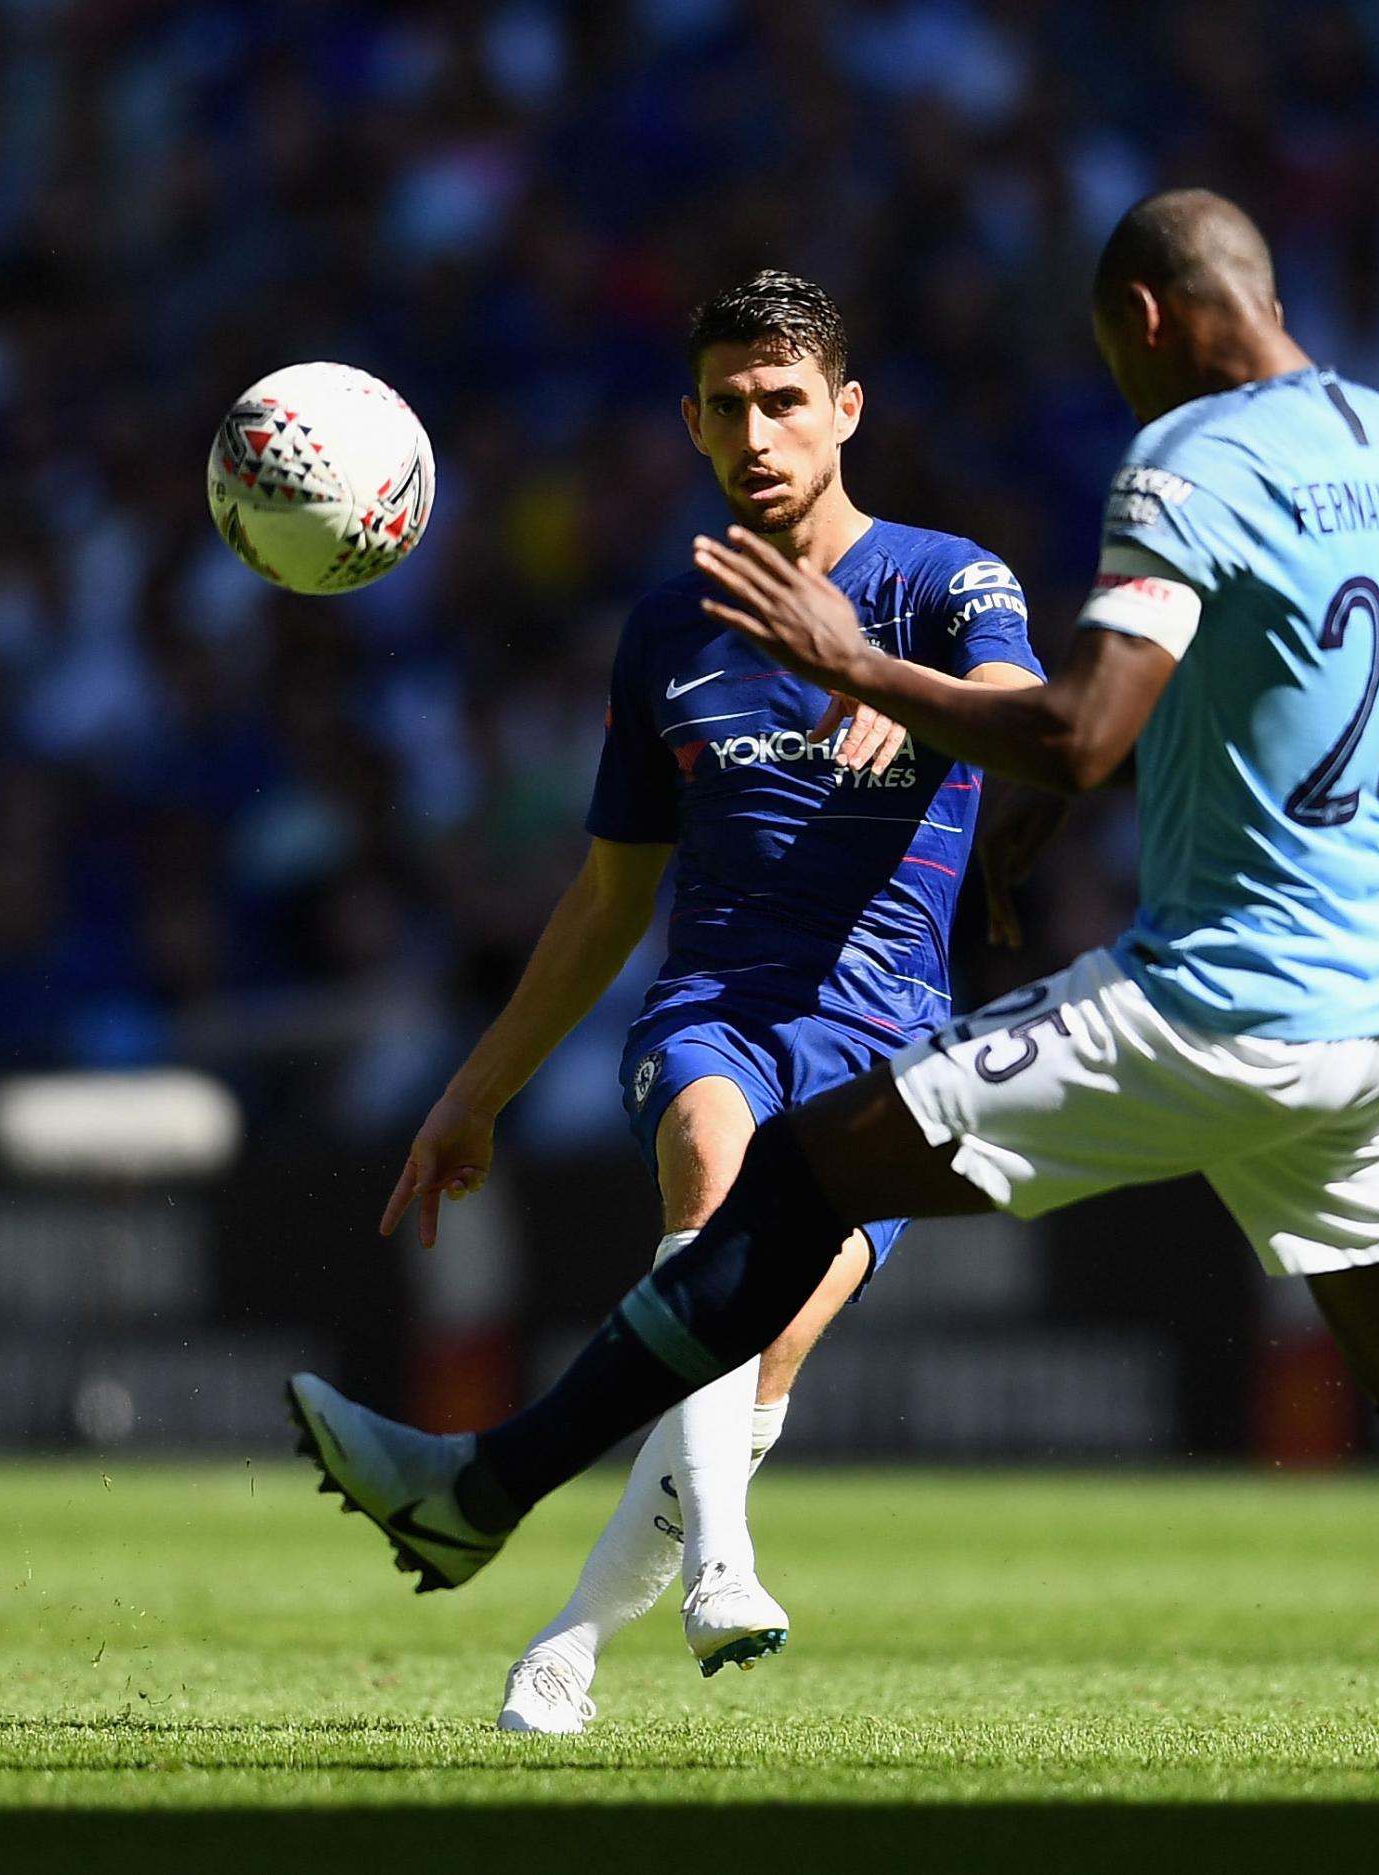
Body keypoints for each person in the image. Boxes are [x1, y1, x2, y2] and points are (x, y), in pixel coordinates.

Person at [290, 194, 1379, 1772]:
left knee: (796, 1173)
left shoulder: (1184, 464)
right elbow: (1228, 688)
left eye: (1112, 352)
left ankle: (482, 1490)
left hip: (1217, 993)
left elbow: (1087, 732)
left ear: (1150, 320)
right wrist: (1010, 829)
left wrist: (858, 661)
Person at [355, 270, 1042, 1734]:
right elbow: (608, 898)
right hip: (715, 1007)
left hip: (892, 1044)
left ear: (846, 411)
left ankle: (571, 1635)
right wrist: (474, 1092)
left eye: (786, 400)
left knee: (752, 1362)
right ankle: (726, 1568)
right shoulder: (669, 628)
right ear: (690, 423)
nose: (758, 429)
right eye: (727, 404)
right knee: (708, 1168)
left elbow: (1031, 711)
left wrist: (888, 682)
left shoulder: (946, 581)